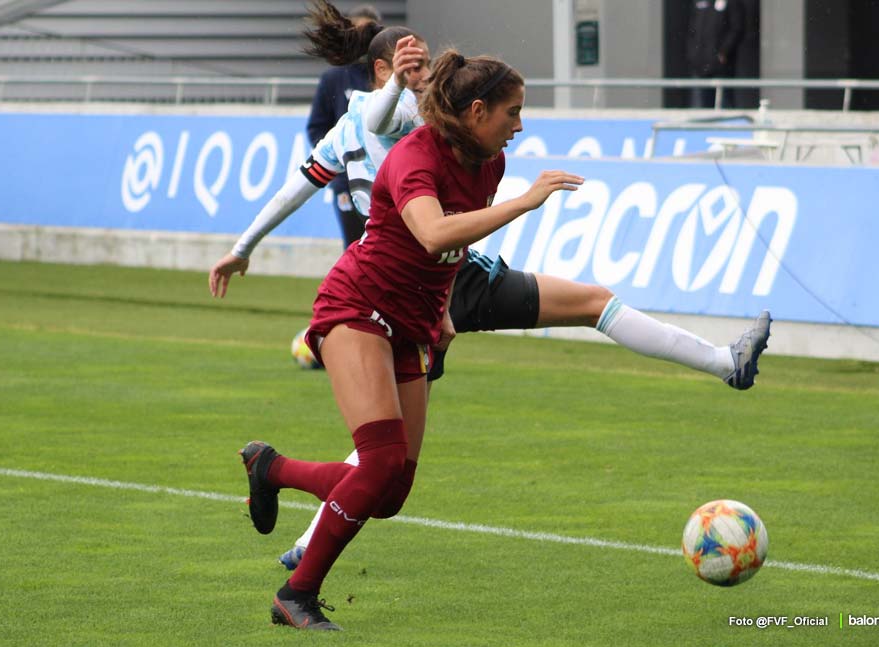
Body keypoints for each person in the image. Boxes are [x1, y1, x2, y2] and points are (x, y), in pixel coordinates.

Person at [209, 5, 771, 576]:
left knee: (387, 461)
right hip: (400, 279)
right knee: (584, 309)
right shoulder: (399, 121)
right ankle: (725, 363)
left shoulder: (447, 137)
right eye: (413, 64)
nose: (425, 75)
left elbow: (301, 186)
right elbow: (379, 136)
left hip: (436, 281)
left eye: (427, 64)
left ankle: (286, 496)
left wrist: (243, 247)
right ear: (382, 70)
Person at [234, 39, 584, 630]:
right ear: (477, 112)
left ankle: (272, 469)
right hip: (357, 305)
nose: (520, 126)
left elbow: (452, 247)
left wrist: (442, 311)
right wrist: (526, 203)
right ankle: (295, 595)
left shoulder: (488, 161)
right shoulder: (413, 155)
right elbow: (429, 232)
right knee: (379, 463)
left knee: (391, 492)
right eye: (513, 112)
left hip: (412, 319)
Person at [304, 3, 382, 248]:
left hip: (384, 181)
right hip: (346, 183)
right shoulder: (334, 79)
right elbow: (317, 127)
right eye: (358, 33)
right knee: (355, 246)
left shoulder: (385, 75)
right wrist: (338, 159)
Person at [686, 0, 745, 109]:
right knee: (702, 104)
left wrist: (724, 52)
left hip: (721, 66)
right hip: (700, 64)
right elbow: (691, 30)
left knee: (724, 101)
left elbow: (737, 29)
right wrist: (693, 54)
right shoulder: (700, 3)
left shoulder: (731, 3)